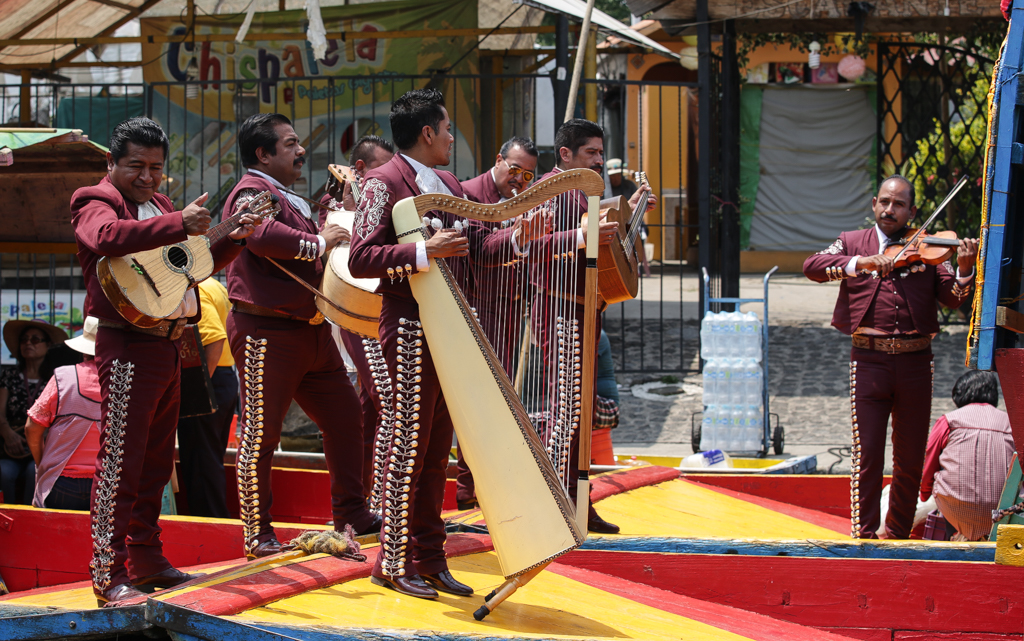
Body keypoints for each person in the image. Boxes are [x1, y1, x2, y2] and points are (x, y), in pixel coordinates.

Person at [71, 116, 259, 605]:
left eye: (157, 167)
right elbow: (107, 238)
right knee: (122, 460)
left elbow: (190, 267)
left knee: (156, 462)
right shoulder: (93, 200)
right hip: (127, 343)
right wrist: (179, 223)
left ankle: (148, 560)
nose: (148, 177)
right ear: (110, 163)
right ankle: (107, 574)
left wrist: (233, 237)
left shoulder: (159, 205)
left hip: (172, 343)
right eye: (136, 165)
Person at [223, 113, 378, 560]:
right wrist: (322, 241)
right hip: (264, 329)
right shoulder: (251, 192)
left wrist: (332, 211)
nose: (301, 150)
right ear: (263, 154)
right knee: (260, 436)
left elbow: (301, 234)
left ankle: (353, 516)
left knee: (348, 419)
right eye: (290, 144)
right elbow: (263, 237)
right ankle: (257, 535)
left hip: (309, 331)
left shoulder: (282, 194)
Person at [348, 88, 476, 600]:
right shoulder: (382, 182)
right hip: (405, 329)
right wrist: (425, 250)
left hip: (446, 330)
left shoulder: (444, 182)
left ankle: (430, 557)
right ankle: (392, 561)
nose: (450, 138)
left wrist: (518, 238)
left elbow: (472, 243)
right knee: (407, 447)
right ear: (427, 132)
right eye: (447, 129)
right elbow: (360, 257)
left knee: (436, 449)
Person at [802, 174, 979, 539]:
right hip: (868, 361)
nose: (889, 209)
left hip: (916, 362)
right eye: (884, 202)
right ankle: (865, 535)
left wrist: (963, 268)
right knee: (867, 455)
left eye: (898, 205)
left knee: (910, 458)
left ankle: (895, 535)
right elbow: (813, 266)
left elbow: (953, 298)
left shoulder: (928, 247)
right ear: (873, 204)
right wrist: (861, 263)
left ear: (911, 211)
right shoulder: (854, 242)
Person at [534, 119, 655, 535]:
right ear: (565, 155)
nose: (600, 160)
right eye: (592, 153)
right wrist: (585, 234)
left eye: (602, 153)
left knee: (580, 412)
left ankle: (578, 504)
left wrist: (632, 206)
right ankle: (552, 505)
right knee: (564, 409)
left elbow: (608, 242)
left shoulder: (588, 193)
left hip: (587, 308)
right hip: (559, 308)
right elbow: (535, 246)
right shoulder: (549, 191)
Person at [456, 135, 542, 509]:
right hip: (478, 306)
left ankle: (486, 482)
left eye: (528, 175)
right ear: (498, 159)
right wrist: (520, 234)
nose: (520, 180)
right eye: (516, 170)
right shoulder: (470, 194)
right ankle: (467, 488)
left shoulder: (522, 194)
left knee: (503, 400)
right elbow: (479, 249)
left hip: (509, 306)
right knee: (478, 401)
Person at [319, 135, 395, 499]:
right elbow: (333, 259)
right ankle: (383, 499)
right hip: (354, 312)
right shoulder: (333, 205)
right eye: (381, 169)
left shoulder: (386, 199)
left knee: (370, 410)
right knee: (390, 399)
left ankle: (364, 497)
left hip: (378, 308)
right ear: (360, 170)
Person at [920, 370, 1014, 541]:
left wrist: (924, 493)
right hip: (1002, 511)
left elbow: (930, 462)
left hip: (955, 509)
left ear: (959, 395)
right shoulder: (1010, 423)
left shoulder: (948, 421)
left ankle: (955, 537)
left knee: (944, 477)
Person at [176, 278, 237, 518]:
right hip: (222, 377)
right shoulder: (214, 285)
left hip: (208, 377)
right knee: (206, 457)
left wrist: (198, 391)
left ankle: (210, 521)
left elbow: (214, 338)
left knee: (201, 461)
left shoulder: (197, 288)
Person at [25, 316, 101, 510]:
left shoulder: (63, 377)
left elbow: (32, 427)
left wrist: (42, 462)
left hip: (61, 485)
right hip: (107, 486)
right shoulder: (123, 383)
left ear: (84, 350)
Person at [0, 319, 68, 504]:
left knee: (34, 473)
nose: (28, 343)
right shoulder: (9, 376)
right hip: (9, 448)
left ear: (48, 345)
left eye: (35, 339)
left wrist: (40, 437)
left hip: (41, 449)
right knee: (5, 473)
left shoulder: (56, 379)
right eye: (24, 339)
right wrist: (7, 434)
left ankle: (30, 516)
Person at [606, 158, 650, 277]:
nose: (615, 178)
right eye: (612, 176)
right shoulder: (606, 187)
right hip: (612, 222)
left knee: (640, 234)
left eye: (617, 175)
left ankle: (637, 264)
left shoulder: (629, 185)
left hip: (630, 220)